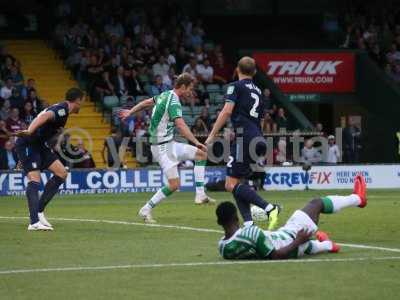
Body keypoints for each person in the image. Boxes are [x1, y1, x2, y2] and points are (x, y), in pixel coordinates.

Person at [119, 73, 215, 223]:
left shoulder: (165, 95)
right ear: (183, 87)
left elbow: (146, 103)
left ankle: (200, 194)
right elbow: (181, 125)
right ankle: (146, 209)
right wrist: (196, 141)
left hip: (169, 144)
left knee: (201, 154)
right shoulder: (174, 101)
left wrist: (130, 112)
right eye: (190, 88)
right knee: (174, 185)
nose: (191, 92)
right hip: (161, 148)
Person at [205, 57, 281, 228]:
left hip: (244, 137)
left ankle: (269, 208)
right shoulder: (259, 91)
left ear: (237, 70)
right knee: (237, 183)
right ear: (254, 72)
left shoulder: (235, 86)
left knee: (230, 184)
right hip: (257, 138)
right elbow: (261, 120)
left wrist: (211, 135)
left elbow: (226, 111)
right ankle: (248, 224)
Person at [216, 175, 367, 260]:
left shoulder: (223, 248)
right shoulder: (250, 234)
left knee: (310, 246)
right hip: (289, 239)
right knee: (316, 203)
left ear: (219, 222)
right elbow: (275, 255)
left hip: (282, 238)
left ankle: (328, 245)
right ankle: (358, 199)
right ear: (236, 218)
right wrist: (298, 241)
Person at [14, 88, 84, 231]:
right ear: (77, 101)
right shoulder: (61, 110)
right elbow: (43, 117)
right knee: (35, 179)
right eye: (82, 101)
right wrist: (29, 130)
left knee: (61, 173)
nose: (82, 104)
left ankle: (39, 212)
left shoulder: (64, 112)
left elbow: (48, 130)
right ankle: (33, 223)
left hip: (39, 146)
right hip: (28, 142)